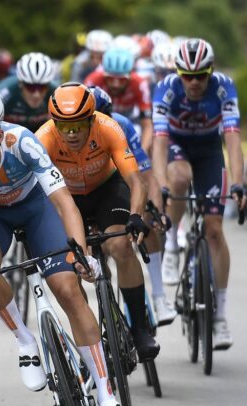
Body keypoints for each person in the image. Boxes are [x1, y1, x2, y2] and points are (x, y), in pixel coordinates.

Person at [0, 89, 131, 406]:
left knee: (67, 289)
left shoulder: (22, 142)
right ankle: (25, 340)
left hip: (36, 208)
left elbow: (64, 203)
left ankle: (106, 396)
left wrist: (82, 254)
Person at [36, 83, 161, 360]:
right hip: (67, 197)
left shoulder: (108, 128)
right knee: (72, 264)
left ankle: (139, 329)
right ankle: (89, 329)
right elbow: (34, 192)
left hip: (106, 189)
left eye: (78, 125)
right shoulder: (42, 139)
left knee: (120, 246)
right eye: (63, 125)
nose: (70, 133)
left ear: (91, 119)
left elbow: (135, 181)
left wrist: (136, 216)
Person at [151, 38, 247, 350]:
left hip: (209, 151)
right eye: (187, 75)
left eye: (200, 75)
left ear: (211, 71)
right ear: (178, 73)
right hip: (177, 145)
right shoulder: (166, 88)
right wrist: (161, 188)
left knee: (215, 231)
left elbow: (233, 140)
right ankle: (171, 244)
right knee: (179, 177)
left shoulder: (224, 89)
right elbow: (159, 143)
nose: (193, 83)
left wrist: (239, 183)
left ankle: (219, 317)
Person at [89, 85, 177, 325]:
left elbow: (146, 175)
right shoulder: (68, 134)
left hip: (120, 185)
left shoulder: (122, 126)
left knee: (144, 220)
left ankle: (159, 296)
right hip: (85, 191)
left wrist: (157, 211)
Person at [84, 47, 154, 158]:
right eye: (111, 79)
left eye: (122, 80)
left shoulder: (139, 83)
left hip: (130, 121)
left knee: (149, 142)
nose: (116, 84)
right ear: (104, 74)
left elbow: (147, 125)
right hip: (100, 121)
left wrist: (142, 155)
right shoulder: (93, 80)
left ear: (130, 75)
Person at [0, 52, 58, 133]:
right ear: (21, 84)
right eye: (30, 87)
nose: (36, 95)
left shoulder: (55, 92)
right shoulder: (6, 91)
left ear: (48, 85)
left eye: (42, 87)